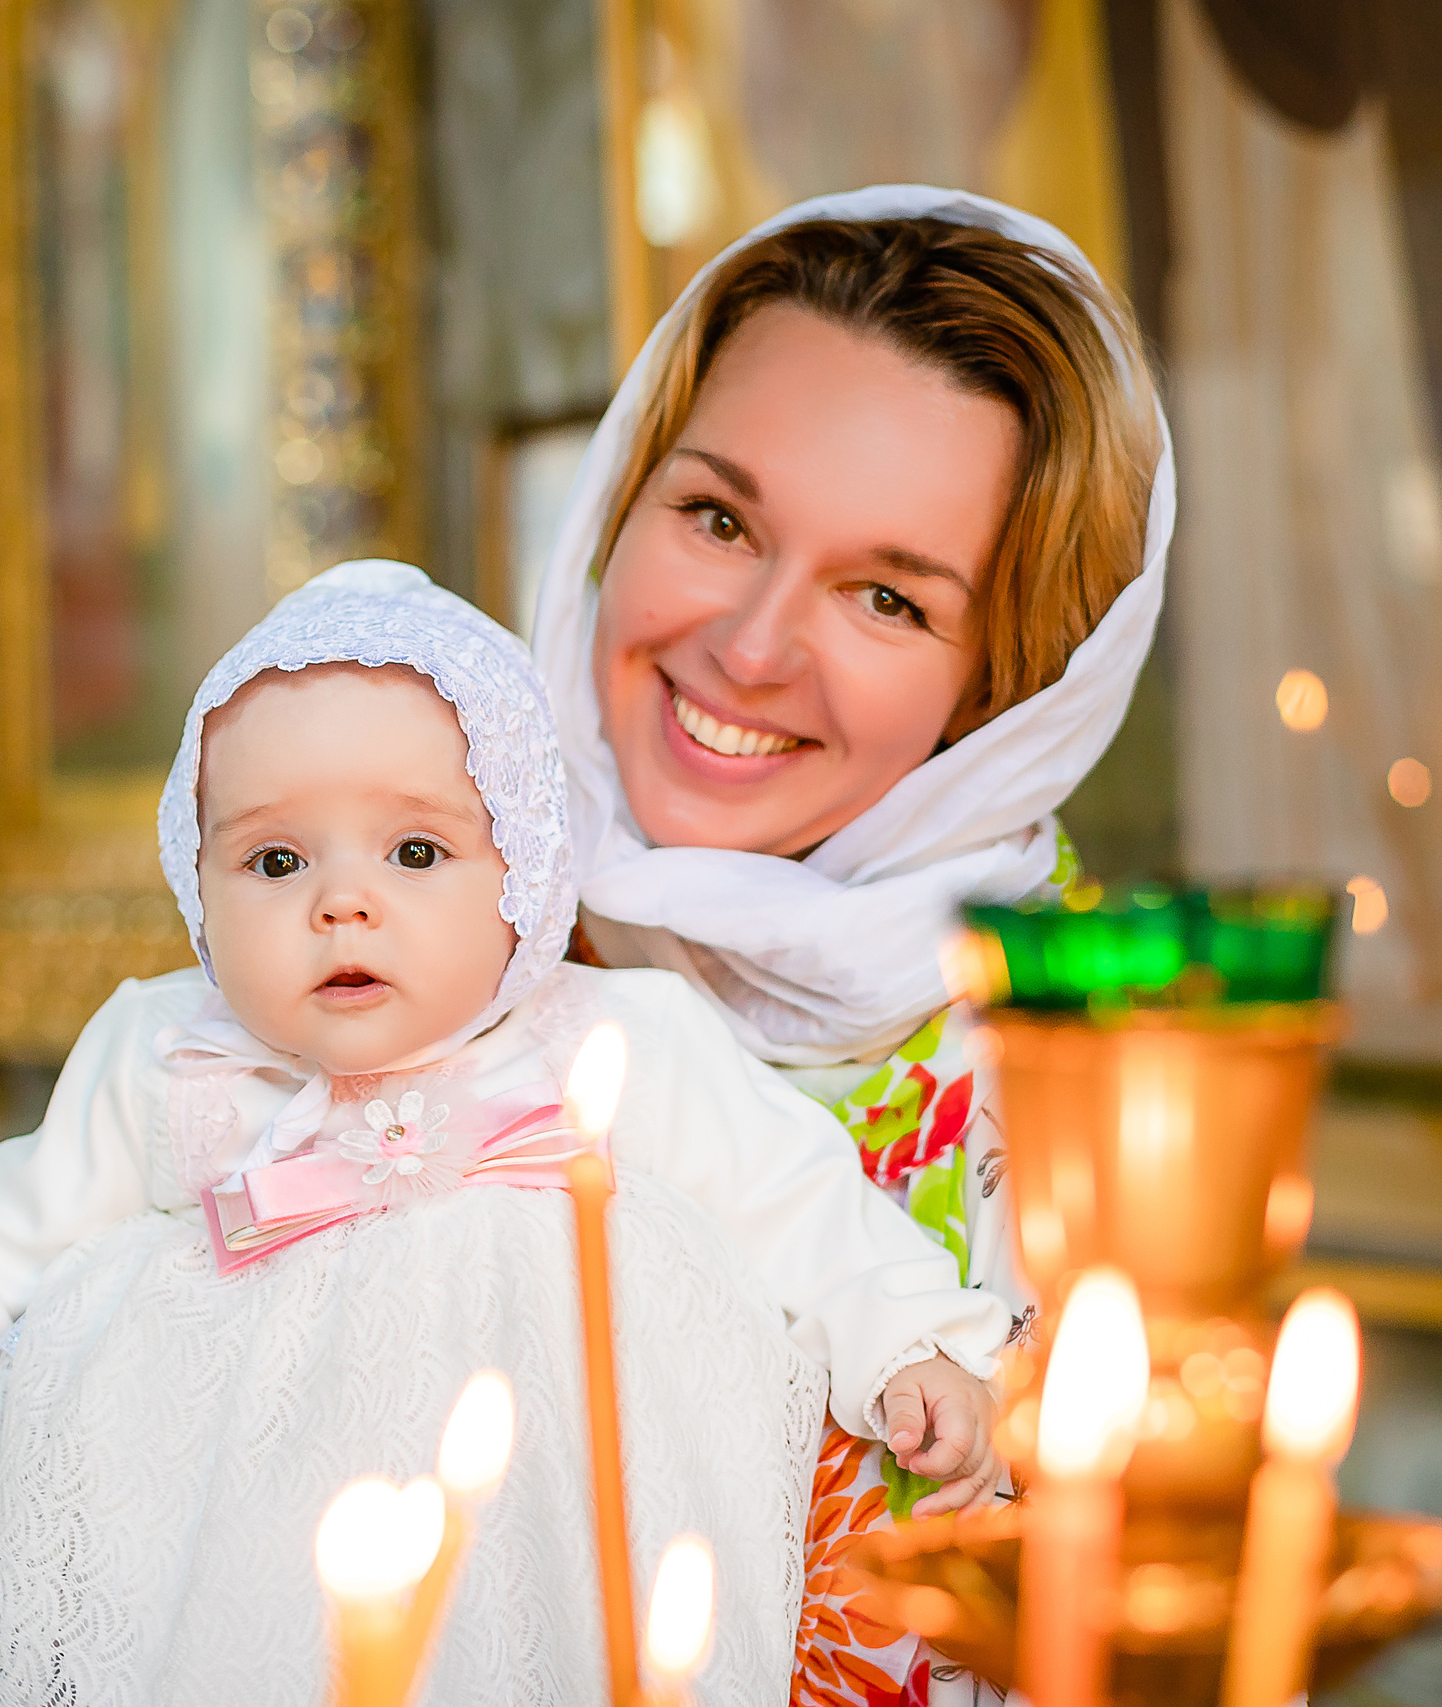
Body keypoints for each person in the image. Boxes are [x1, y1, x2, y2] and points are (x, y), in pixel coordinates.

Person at [0, 562, 1010, 1704]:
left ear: (526, 875)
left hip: (556, 1556)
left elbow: (800, 1204)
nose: (343, 907)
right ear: (197, 885)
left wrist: (912, 1346)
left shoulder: (616, 1043)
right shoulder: (168, 1051)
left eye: (416, 854)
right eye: (275, 861)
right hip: (248, 1582)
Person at [530, 187, 1171, 1707]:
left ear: (1004, 691)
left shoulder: (1095, 1079)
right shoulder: (389, 904)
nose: (751, 648)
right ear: (620, 501)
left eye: (888, 597)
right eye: (717, 517)